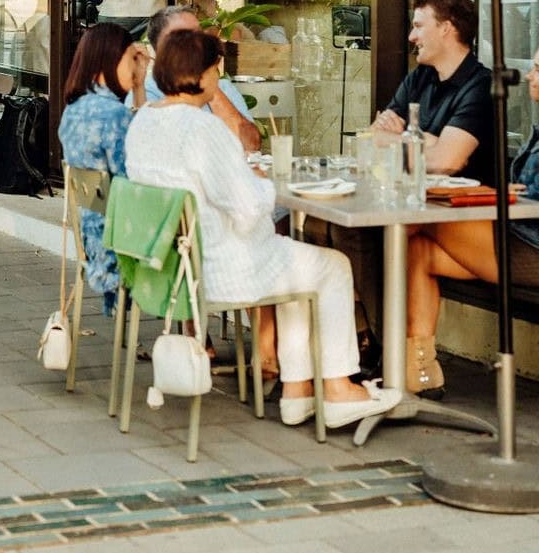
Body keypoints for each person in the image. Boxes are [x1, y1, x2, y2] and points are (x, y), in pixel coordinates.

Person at [126, 30, 402, 430]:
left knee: (297, 265)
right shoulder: (204, 130)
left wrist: (241, 178)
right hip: (223, 268)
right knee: (331, 265)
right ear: (203, 75)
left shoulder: (143, 122)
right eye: (216, 71)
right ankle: (339, 387)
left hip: (167, 266)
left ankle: (297, 392)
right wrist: (257, 179)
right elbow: (250, 208)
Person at [404, 42, 539, 398]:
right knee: (418, 250)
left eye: (538, 69)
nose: (528, 75)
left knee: (422, 220)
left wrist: (503, 194)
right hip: (517, 237)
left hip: (532, 253)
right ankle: (417, 370)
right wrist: (503, 190)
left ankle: (363, 331)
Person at [58, 23, 147, 312]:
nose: (135, 68)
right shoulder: (113, 115)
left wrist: (139, 86)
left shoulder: (75, 109)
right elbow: (135, 173)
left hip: (90, 233)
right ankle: (192, 339)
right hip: (118, 240)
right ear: (107, 60)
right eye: (131, 59)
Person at [372, 0, 493, 183]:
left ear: (446, 28)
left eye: (418, 26)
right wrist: (424, 140)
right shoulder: (419, 77)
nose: (412, 36)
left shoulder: (482, 85)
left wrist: (399, 141)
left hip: (462, 209)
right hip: (416, 199)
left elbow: (447, 161)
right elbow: (374, 138)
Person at [142, 5, 260, 152]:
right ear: (162, 48)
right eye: (185, 38)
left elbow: (252, 146)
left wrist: (208, 84)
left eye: (199, 35)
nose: (199, 44)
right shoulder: (146, 92)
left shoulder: (222, 86)